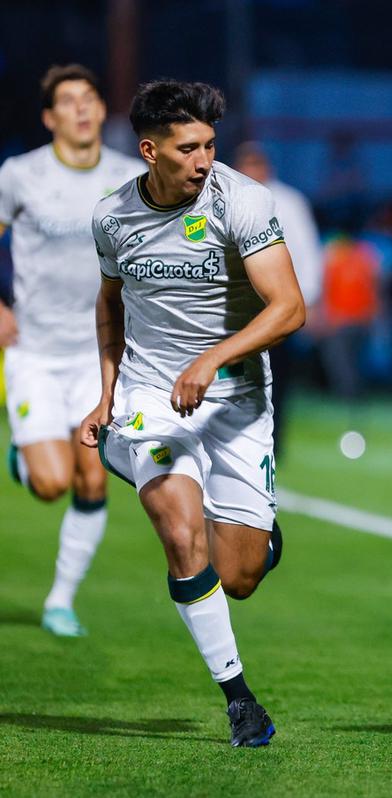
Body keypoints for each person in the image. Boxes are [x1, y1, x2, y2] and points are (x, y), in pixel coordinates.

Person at [80, 80, 305, 747]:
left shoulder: (244, 201)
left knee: (236, 576)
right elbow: (110, 305)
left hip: (235, 400)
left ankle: (257, 538)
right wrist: (105, 394)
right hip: (151, 396)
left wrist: (211, 361)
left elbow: (289, 307)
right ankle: (240, 702)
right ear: (150, 151)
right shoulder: (113, 217)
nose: (204, 159)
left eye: (209, 144)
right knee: (180, 533)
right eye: (187, 148)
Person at [0, 64, 144, 637]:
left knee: (92, 477)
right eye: (69, 101)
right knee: (51, 484)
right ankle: (24, 456)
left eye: (90, 98)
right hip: (34, 351)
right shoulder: (20, 174)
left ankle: (61, 600)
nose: (82, 109)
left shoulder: (132, 177)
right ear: (49, 117)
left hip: (99, 354)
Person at [233, 142, 323, 457]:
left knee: (278, 375)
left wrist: (308, 299)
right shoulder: (226, 198)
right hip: (238, 307)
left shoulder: (287, 201)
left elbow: (307, 250)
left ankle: (274, 440)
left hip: (276, 304)